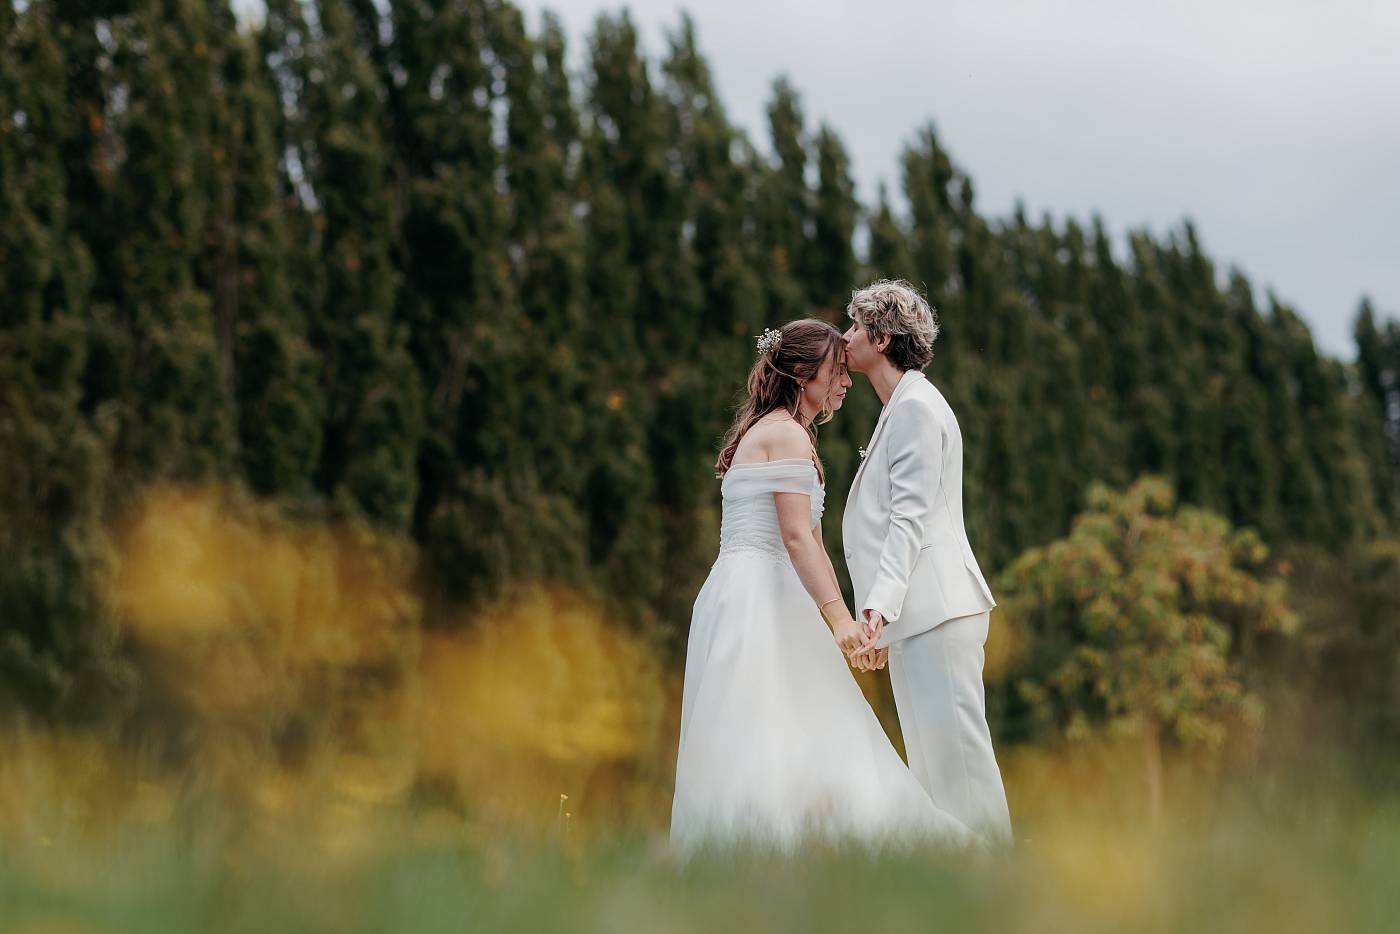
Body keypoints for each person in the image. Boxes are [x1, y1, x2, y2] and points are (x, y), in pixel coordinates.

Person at [669, 318, 972, 854]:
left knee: (802, 720)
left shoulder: (789, 432)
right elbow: (795, 539)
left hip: (772, 593)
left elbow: (813, 543)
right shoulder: (784, 433)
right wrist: (841, 624)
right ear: (802, 373)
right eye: (836, 371)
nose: (846, 381)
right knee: (759, 724)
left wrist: (854, 621)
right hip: (755, 596)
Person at [841, 279, 1013, 844]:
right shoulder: (901, 405)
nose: (846, 337)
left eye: (855, 327)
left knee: (961, 767)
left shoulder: (915, 407)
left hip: (935, 610)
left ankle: (999, 883)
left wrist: (876, 611)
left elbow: (908, 520)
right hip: (919, 617)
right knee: (935, 775)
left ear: (882, 338)